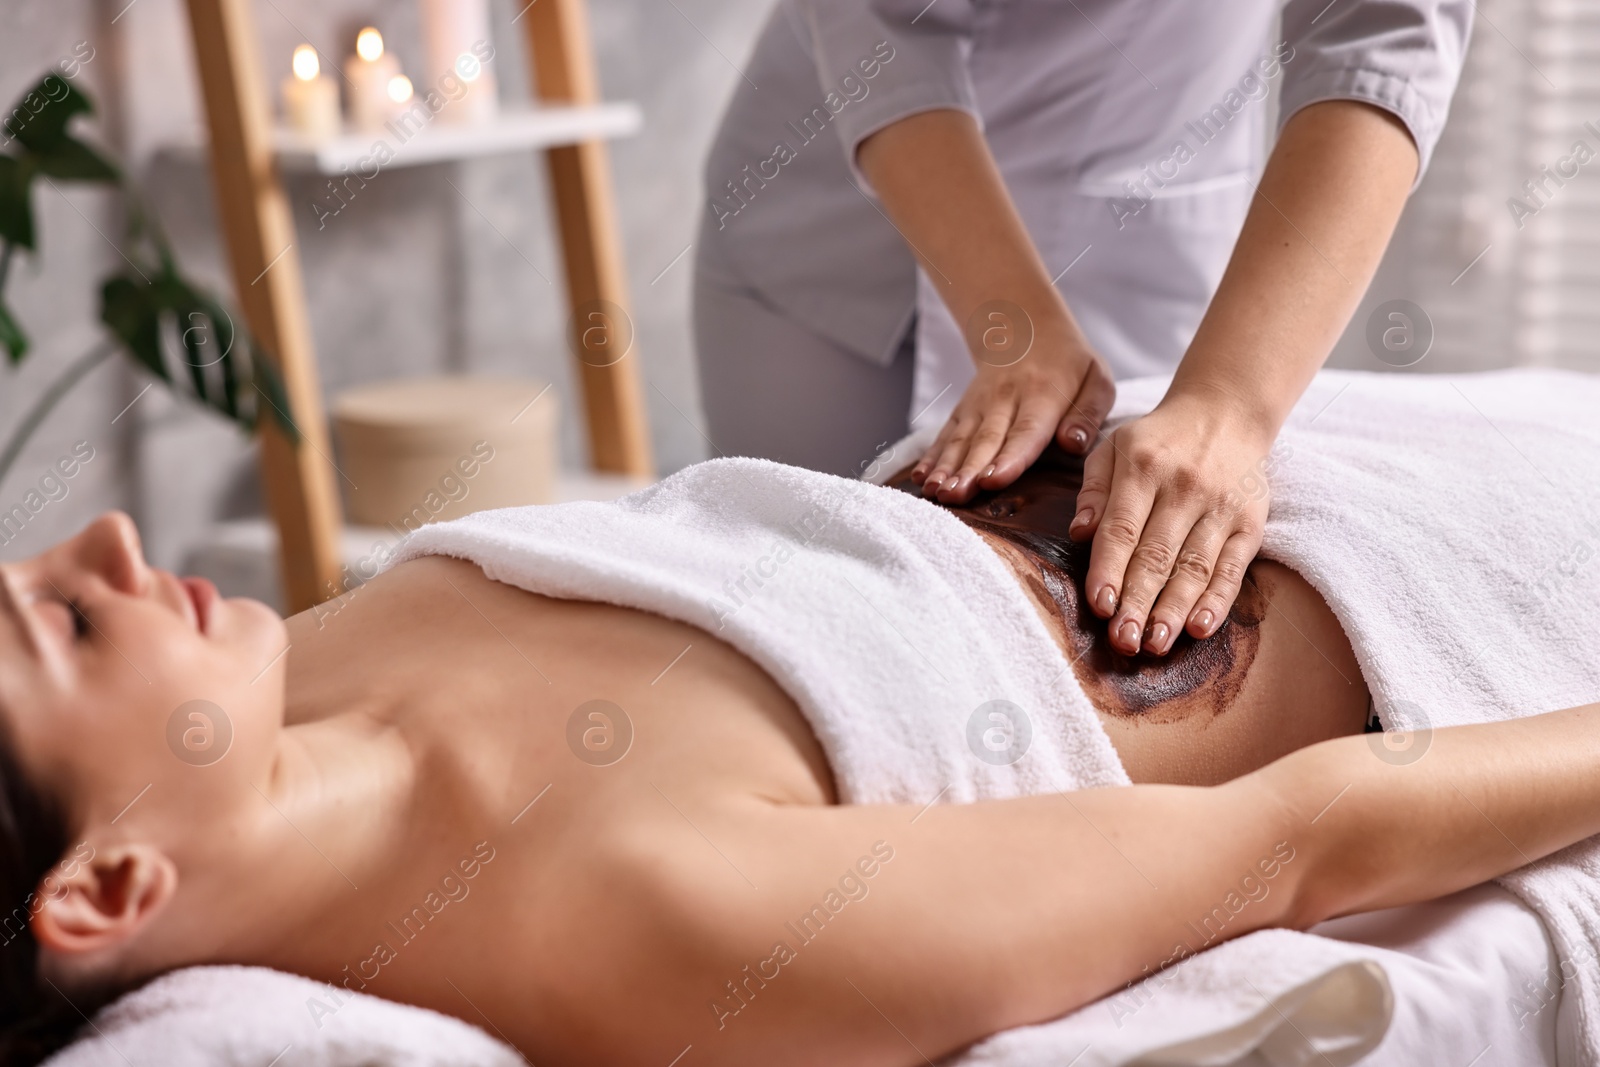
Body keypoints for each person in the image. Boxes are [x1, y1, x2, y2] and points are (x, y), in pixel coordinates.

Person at [2, 502, 1598, 1066]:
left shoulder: (318, 653)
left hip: (1225, 443)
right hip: (1416, 579)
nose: (116, 544)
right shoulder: (647, 923)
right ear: (104, 886)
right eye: (70, 623)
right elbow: (1296, 835)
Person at [694, 0, 1471, 660]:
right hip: (829, 229)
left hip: (1140, 229)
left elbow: (1382, 33)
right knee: (783, 630)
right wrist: (1010, 313)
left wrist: (1229, 404)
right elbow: (884, 22)